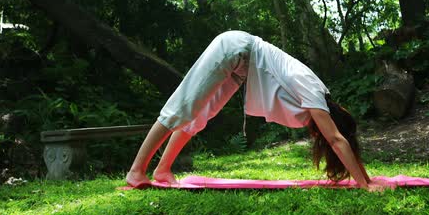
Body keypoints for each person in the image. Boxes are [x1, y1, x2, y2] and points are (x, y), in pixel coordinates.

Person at [126, 30, 382, 191]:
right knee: (183, 107)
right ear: (333, 122)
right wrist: (365, 185)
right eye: (321, 135)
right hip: (235, 49)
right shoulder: (315, 96)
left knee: (199, 117)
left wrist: (366, 179)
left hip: (241, 66)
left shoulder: (318, 99)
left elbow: (339, 140)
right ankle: (137, 170)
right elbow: (338, 140)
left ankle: (162, 170)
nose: (317, 137)